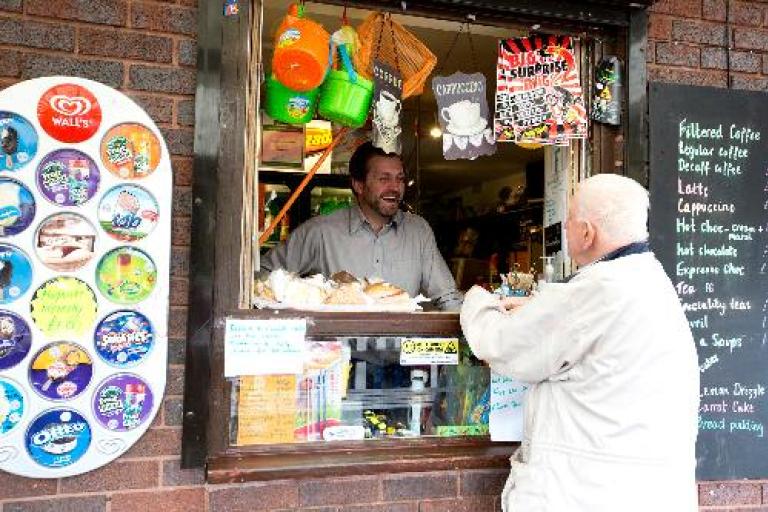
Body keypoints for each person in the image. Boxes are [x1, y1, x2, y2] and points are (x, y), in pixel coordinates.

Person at [460, 174, 699, 511]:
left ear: (587, 232)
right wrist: (538, 307)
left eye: (569, 219)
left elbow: (500, 344)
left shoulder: (597, 290)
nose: (565, 227)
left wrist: (475, 299)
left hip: (587, 492)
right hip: (647, 492)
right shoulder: (648, 279)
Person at [261, 142, 462, 311]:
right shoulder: (321, 231)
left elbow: (447, 297)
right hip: (339, 354)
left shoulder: (418, 231)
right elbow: (263, 275)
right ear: (358, 185)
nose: (395, 187)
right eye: (384, 178)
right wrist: (310, 293)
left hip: (402, 353)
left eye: (399, 179)